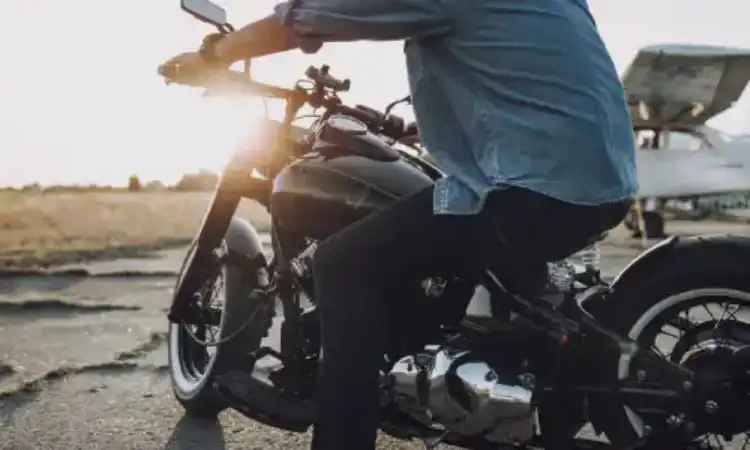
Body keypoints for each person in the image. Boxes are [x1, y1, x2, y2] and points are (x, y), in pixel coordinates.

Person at [159, 0, 637, 448]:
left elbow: (315, 15)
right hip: (598, 180)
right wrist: (421, 128)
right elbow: (527, 75)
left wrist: (214, 54)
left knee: (343, 261)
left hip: (535, 187)